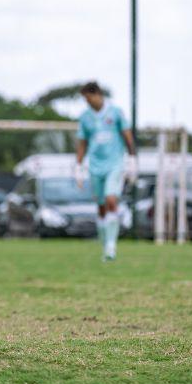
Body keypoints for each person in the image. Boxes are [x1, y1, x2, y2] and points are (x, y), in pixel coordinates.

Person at [74, 82, 137, 262]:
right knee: (101, 206)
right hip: (95, 166)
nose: (87, 102)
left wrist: (132, 158)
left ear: (98, 95)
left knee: (111, 200)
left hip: (114, 164)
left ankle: (111, 246)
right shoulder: (85, 117)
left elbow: (127, 135)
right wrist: (78, 166)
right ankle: (105, 244)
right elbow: (82, 143)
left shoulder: (115, 112)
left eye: (89, 98)